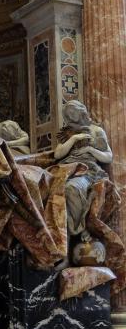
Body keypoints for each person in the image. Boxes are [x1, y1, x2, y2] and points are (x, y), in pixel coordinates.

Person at [54, 99, 113, 237]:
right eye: (68, 114)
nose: (70, 116)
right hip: (65, 168)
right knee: (47, 185)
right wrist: (74, 139)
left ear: (82, 111)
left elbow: (108, 157)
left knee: (71, 188)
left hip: (86, 170)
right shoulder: (67, 133)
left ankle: (75, 231)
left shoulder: (96, 130)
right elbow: (58, 154)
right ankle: (54, 231)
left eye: (73, 112)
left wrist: (90, 150)